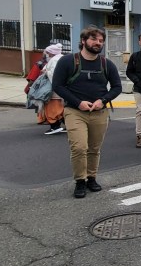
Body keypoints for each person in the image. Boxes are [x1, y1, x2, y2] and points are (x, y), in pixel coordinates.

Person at [51, 26, 123, 199]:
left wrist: (102, 101)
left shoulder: (107, 64)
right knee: (79, 147)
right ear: (83, 41)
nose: (98, 43)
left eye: (100, 40)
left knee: (94, 148)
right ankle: (80, 181)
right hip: (75, 111)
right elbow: (58, 86)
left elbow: (117, 87)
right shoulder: (68, 61)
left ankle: (91, 178)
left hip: (99, 112)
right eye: (93, 39)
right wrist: (78, 103)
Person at [38, 43, 65, 134]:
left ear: (51, 53)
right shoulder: (62, 58)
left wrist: (45, 72)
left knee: (53, 108)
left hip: (54, 90)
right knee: (62, 108)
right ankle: (65, 124)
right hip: (62, 89)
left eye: (48, 53)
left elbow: (54, 75)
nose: (47, 55)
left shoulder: (54, 60)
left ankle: (55, 126)